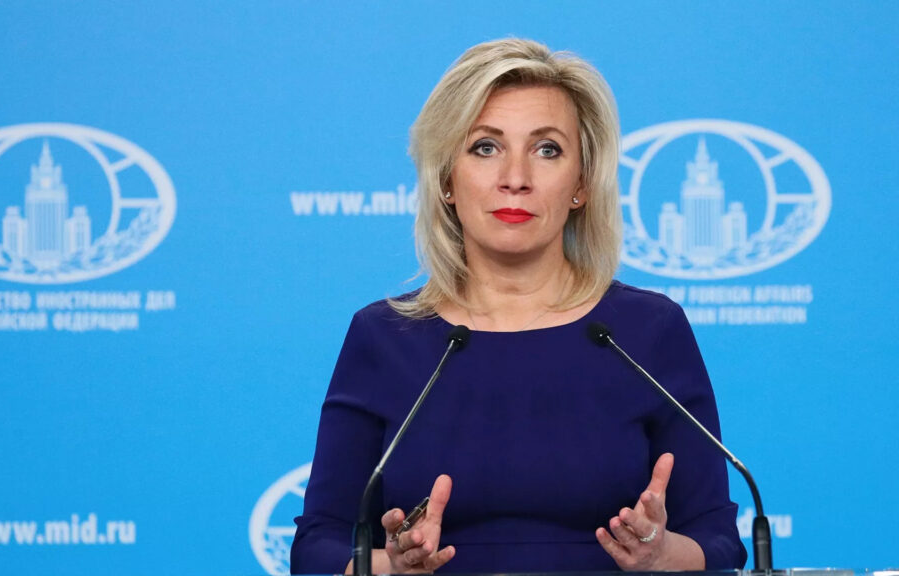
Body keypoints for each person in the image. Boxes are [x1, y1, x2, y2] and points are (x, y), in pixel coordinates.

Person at [291, 38, 746, 573]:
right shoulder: (385, 336)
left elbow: (718, 538)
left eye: (546, 149)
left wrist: (662, 554)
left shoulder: (646, 331)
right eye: (485, 147)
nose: (515, 178)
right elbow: (317, 546)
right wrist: (388, 567)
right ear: (446, 179)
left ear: (581, 184)